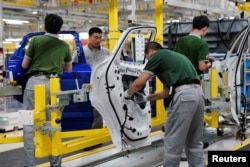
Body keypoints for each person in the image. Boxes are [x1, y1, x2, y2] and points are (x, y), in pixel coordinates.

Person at [124, 42, 205, 167]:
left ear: (150, 52)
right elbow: (166, 93)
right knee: (194, 142)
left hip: (185, 97)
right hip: (199, 95)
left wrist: (127, 95)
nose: (149, 61)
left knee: (173, 141)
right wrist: (145, 98)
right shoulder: (176, 58)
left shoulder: (158, 55)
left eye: (147, 58)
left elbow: (139, 83)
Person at [22, 13, 72, 167]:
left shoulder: (35, 40)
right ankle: (56, 164)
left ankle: (30, 164)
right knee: (54, 124)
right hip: (53, 85)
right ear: (60, 29)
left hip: (34, 83)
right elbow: (68, 69)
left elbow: (24, 65)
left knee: (28, 123)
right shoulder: (65, 46)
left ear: (44, 26)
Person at [83, 27, 110, 129]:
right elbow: (73, 66)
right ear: (89, 37)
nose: (98, 40)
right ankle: (86, 132)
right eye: (95, 37)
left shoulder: (106, 52)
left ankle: (96, 134)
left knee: (98, 109)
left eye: (100, 38)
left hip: (101, 85)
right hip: (86, 84)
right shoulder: (81, 52)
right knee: (86, 109)